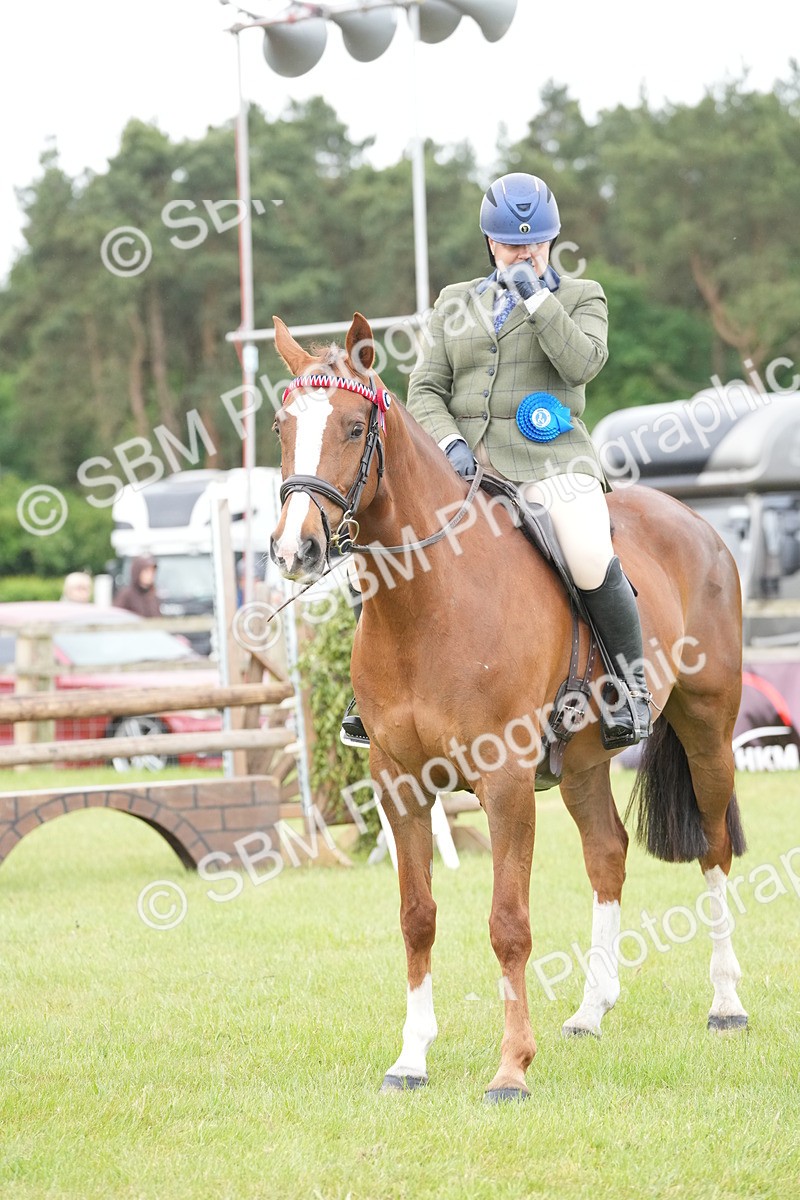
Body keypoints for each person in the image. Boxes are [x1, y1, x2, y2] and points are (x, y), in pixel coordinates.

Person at [341, 171, 651, 751]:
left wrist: (536, 295)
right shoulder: (454, 303)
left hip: (551, 465)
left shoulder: (582, 297)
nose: (524, 253)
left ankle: (630, 691)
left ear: (552, 241)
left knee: (587, 551)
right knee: (377, 554)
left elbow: (582, 365)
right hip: (459, 472)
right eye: (512, 244)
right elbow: (427, 387)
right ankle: (373, 698)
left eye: (535, 244)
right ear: (491, 243)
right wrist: (451, 446)